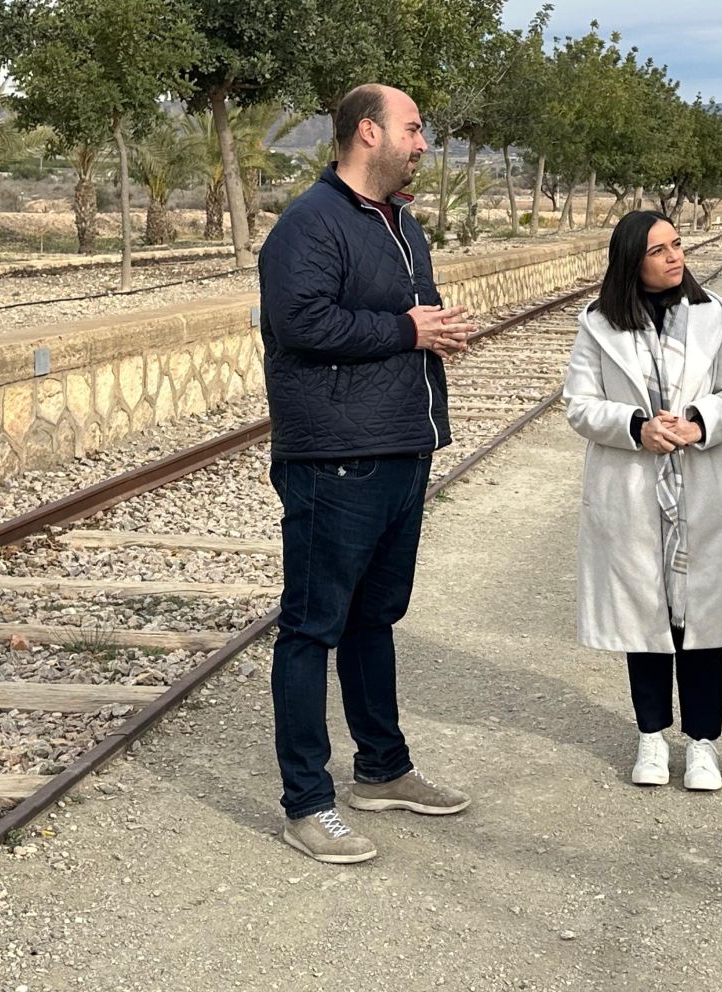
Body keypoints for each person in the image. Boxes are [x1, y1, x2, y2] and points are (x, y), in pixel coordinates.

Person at [257, 83, 478, 864]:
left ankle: (383, 768)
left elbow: (404, 322)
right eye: (414, 130)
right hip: (335, 459)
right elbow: (304, 324)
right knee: (311, 628)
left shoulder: (402, 225)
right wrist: (407, 328)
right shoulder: (308, 225)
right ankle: (306, 803)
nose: (424, 144)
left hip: (402, 449)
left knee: (373, 619)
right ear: (366, 134)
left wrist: (433, 331)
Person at [563, 210, 722, 792]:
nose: (676, 256)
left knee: (701, 624)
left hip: (700, 487)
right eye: (659, 250)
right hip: (630, 489)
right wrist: (635, 427)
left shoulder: (713, 315)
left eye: (677, 245)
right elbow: (579, 403)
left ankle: (703, 745)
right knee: (646, 620)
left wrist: (700, 423)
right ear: (632, 261)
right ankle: (650, 736)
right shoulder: (597, 324)